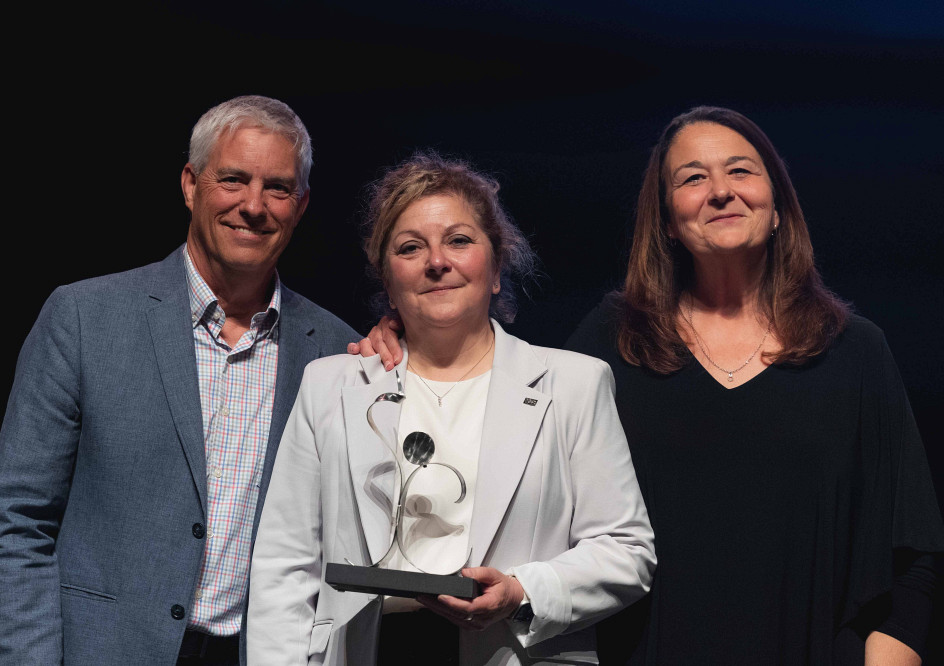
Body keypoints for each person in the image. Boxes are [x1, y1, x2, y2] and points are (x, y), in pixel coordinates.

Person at [355, 108, 944, 664]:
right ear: (665, 217)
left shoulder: (855, 351)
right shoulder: (612, 343)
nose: (720, 190)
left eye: (741, 170)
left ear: (779, 203)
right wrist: (406, 338)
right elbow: (497, 407)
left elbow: (913, 559)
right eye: (693, 177)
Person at [0, 95, 360, 665]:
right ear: (190, 184)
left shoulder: (335, 350)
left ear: (300, 206)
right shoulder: (85, 316)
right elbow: (16, 522)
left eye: (277, 188)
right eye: (233, 179)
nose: (254, 206)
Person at [246, 153, 656, 665]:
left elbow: (626, 552)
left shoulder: (572, 384)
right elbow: (285, 565)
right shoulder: (332, 386)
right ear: (388, 282)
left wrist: (522, 591)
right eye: (411, 247)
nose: (437, 261)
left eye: (459, 240)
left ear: (497, 268)